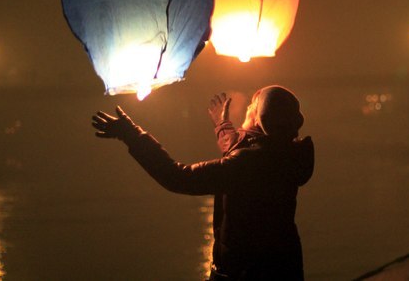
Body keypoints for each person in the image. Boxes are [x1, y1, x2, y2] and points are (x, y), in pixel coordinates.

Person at [91, 85, 314, 280]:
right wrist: (222, 124)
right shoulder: (283, 155)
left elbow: (178, 177)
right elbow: (244, 153)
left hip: (243, 275)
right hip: (283, 270)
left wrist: (131, 134)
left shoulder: (246, 165)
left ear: (259, 119)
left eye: (251, 108)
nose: (245, 110)